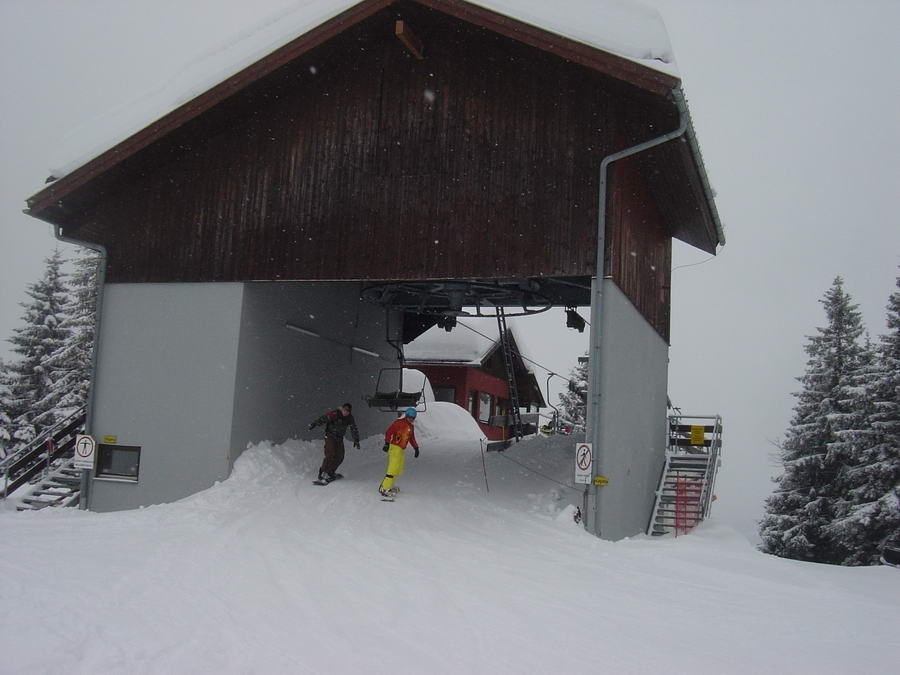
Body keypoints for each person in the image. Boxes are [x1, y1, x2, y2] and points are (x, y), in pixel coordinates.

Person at [308, 402, 360, 483]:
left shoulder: (350, 418)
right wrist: (314, 424)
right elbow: (324, 418)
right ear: (342, 409)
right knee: (330, 454)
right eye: (344, 410)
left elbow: (353, 428)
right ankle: (322, 473)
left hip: (339, 438)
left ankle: (330, 472)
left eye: (348, 411)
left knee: (340, 456)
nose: (345, 412)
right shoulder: (335, 414)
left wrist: (356, 440)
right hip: (330, 436)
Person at [379, 407, 420, 499]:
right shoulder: (399, 423)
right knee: (392, 468)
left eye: (413, 418)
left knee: (398, 469)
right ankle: (384, 488)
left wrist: (416, 448)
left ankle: (390, 486)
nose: (411, 419)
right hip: (395, 447)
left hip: (401, 449)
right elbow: (389, 432)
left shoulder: (411, 427)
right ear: (406, 415)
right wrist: (386, 443)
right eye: (409, 417)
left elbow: (411, 438)